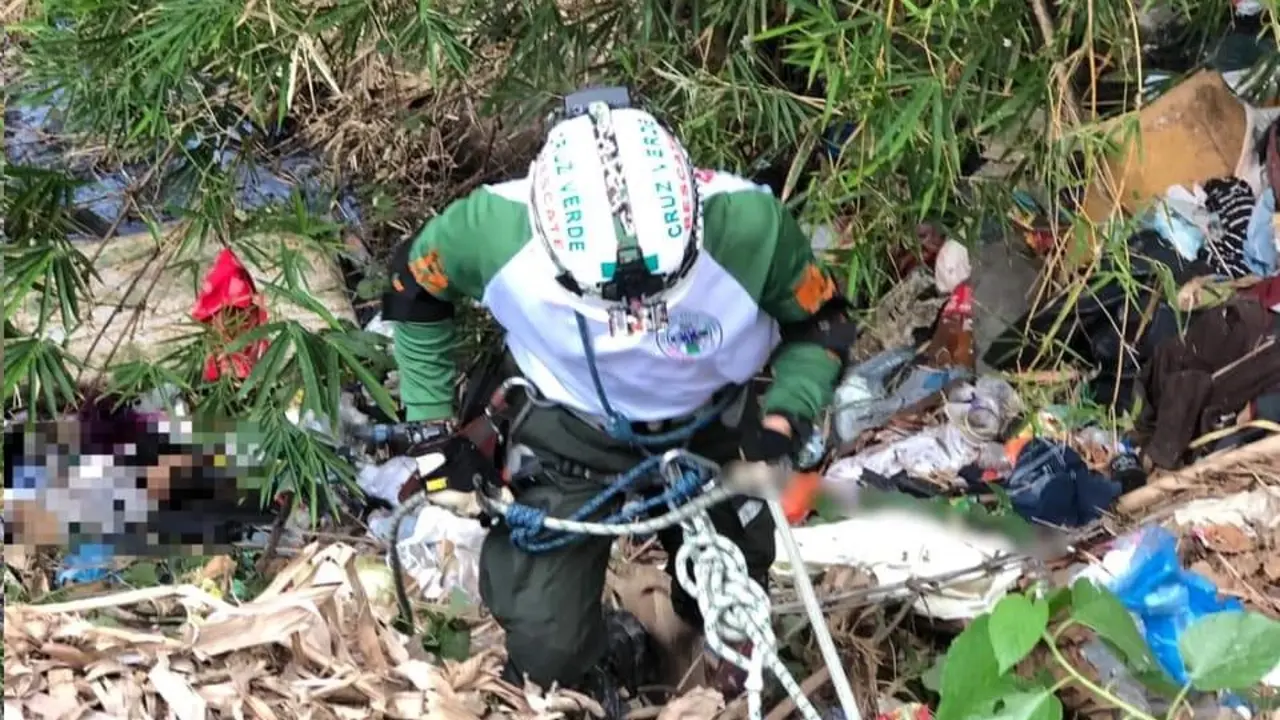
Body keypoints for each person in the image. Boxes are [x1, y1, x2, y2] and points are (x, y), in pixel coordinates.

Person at [381, 94, 852, 715]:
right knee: (546, 644)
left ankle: (705, 634)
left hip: (711, 419)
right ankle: (598, 652)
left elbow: (823, 325)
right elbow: (413, 289)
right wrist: (434, 432)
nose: (634, 319)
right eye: (612, 301)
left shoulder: (750, 228)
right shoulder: (491, 229)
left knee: (738, 579)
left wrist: (786, 414)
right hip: (567, 423)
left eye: (656, 292)